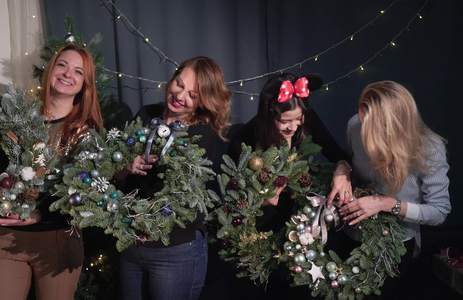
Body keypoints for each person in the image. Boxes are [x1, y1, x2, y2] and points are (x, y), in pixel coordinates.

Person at [202, 73, 352, 299]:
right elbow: (234, 203)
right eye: (285, 121)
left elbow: (338, 154)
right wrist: (260, 202)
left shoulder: (305, 124)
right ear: (270, 112)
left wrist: (342, 170)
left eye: (298, 118)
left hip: (302, 233)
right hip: (260, 237)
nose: (293, 126)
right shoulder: (245, 140)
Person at [0, 44, 103, 300]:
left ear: (84, 84)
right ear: (51, 70)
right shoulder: (19, 118)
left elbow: (81, 193)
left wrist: (38, 214)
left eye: (78, 72)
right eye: (62, 65)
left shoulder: (86, 133)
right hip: (7, 235)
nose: (68, 73)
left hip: (57, 239)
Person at [115, 56, 231, 300]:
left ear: (203, 102)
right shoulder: (146, 114)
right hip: (132, 245)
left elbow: (188, 198)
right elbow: (115, 172)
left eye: (192, 95)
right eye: (179, 84)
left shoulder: (201, 133)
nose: (180, 96)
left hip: (175, 251)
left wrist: (152, 226)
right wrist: (126, 165)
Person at [329, 80, 451, 298]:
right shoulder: (354, 125)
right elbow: (348, 162)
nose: (361, 125)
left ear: (395, 125)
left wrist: (387, 204)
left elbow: (439, 211)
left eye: (372, 125)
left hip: (395, 247)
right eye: (360, 113)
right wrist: (342, 170)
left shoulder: (429, 149)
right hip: (350, 234)